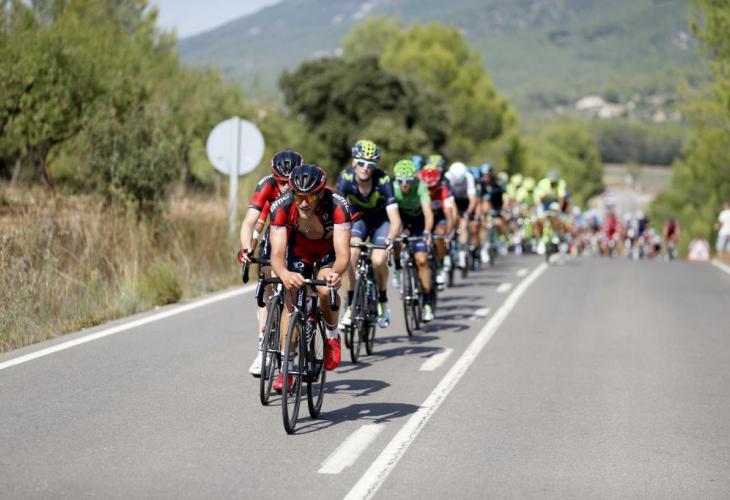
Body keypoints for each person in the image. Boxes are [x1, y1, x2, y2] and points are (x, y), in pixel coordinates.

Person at [268, 164, 352, 391]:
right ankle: (286, 367)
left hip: (328, 250)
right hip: (300, 249)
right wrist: (284, 274)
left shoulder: (338, 205)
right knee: (291, 294)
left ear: (321, 193)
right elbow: (276, 253)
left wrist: (335, 273)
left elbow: (343, 253)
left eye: (310, 197)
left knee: (325, 289)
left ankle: (332, 334)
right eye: (299, 196)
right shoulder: (282, 206)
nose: (304, 203)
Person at [237, 150, 303, 377]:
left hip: (300, 236)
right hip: (275, 234)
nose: (285, 186)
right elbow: (250, 223)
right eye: (281, 181)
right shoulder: (266, 184)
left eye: (289, 181)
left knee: (296, 288)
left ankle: (297, 333)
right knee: (266, 281)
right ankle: (262, 350)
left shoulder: (304, 187)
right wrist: (247, 249)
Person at [336, 140, 401, 329]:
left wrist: (391, 238)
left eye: (371, 164)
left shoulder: (383, 180)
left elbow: (395, 219)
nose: (365, 168)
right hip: (358, 219)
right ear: (354, 162)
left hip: (381, 221)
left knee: (378, 260)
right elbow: (336, 210)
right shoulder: (346, 177)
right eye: (362, 162)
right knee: (350, 255)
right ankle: (350, 304)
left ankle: (383, 301)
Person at [391, 159, 435, 322]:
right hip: (401, 218)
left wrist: (427, 232)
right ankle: (398, 268)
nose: (404, 184)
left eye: (408, 181)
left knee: (422, 260)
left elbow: (428, 213)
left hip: (418, 220)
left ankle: (427, 302)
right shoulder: (392, 187)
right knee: (395, 238)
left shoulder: (421, 186)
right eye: (401, 181)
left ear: (414, 179)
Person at [419, 166, 455, 287]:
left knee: (440, 233)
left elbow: (449, 214)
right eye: (427, 187)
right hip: (423, 218)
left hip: (439, 217)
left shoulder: (443, 190)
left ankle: (440, 264)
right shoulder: (419, 190)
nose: (430, 190)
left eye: (432, 187)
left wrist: (448, 233)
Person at [445, 162, 478, 269]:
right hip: (452, 201)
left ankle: (462, 254)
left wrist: (468, 212)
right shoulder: (447, 177)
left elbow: (472, 199)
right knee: (451, 221)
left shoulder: (469, 177)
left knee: (463, 225)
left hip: (465, 202)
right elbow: (447, 199)